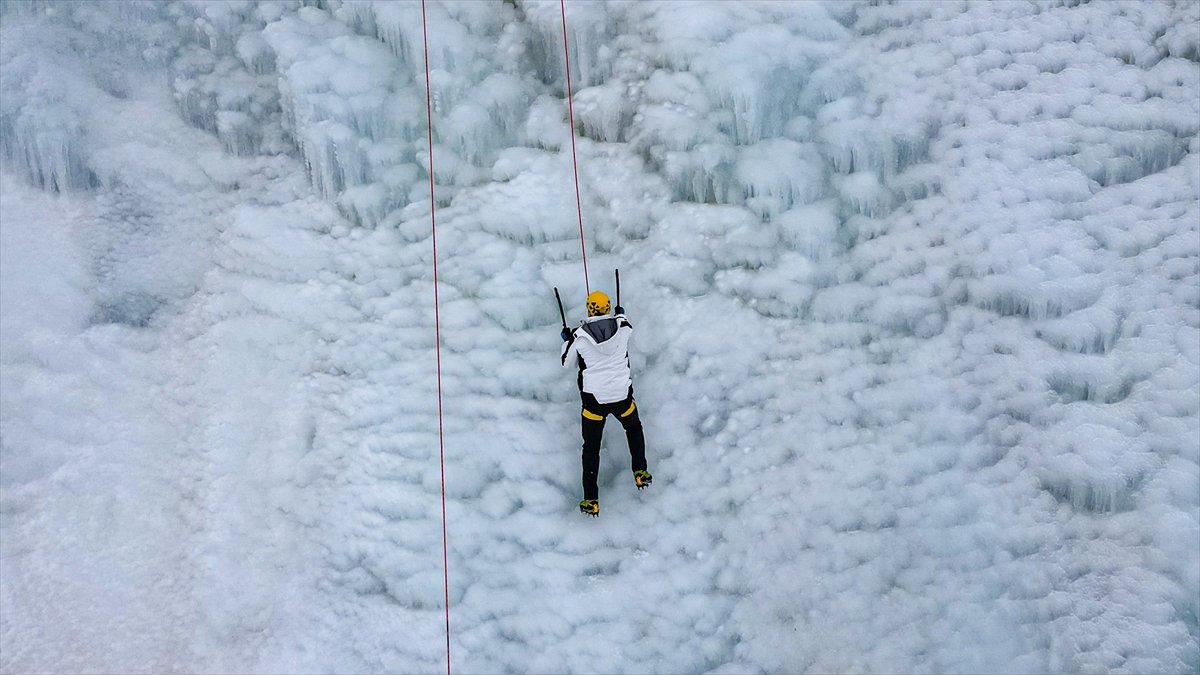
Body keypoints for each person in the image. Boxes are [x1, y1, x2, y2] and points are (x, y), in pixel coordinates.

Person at [560, 290, 652, 517]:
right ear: (609, 307)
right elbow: (623, 320)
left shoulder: (579, 337)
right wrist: (620, 314)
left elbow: (566, 363)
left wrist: (566, 340)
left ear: (589, 309)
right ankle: (640, 471)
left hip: (594, 403)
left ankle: (591, 499)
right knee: (633, 428)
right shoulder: (623, 328)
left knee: (591, 449)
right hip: (622, 396)